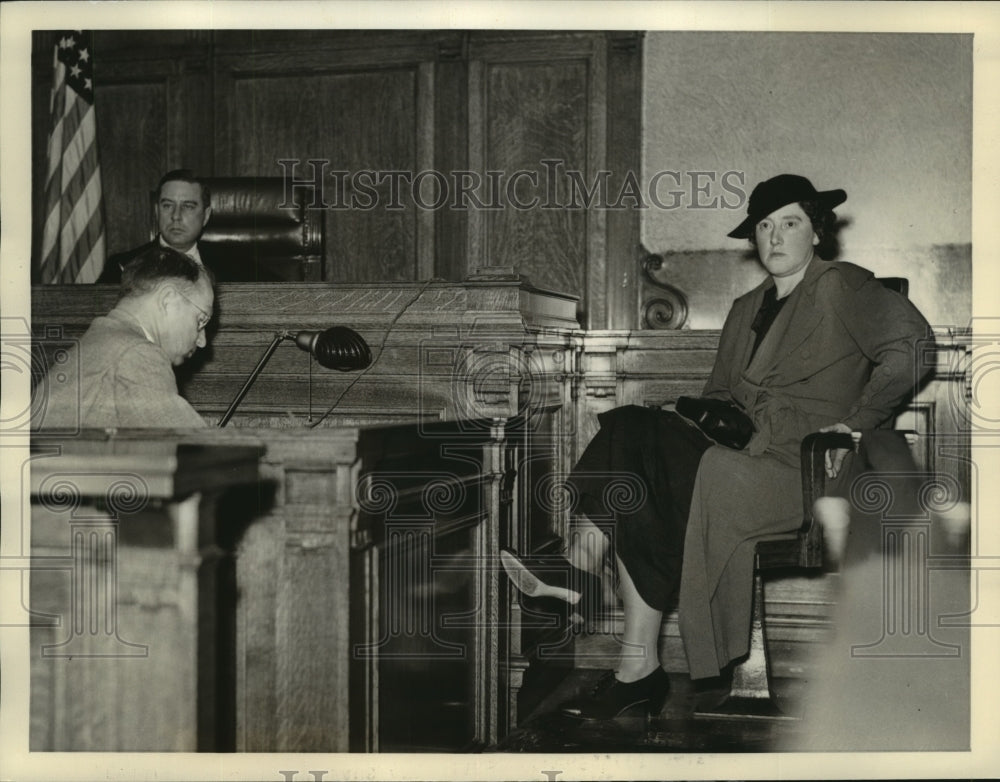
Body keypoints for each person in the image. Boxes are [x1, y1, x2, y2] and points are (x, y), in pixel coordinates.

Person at [501, 173, 934, 720]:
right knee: (630, 433)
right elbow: (720, 397)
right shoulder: (745, 306)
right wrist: (688, 418)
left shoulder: (843, 286)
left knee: (648, 470)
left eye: (791, 223)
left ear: (816, 233)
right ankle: (591, 588)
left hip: (802, 467)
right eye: (764, 226)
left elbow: (913, 348)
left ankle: (618, 639)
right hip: (737, 457)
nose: (775, 237)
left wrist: (855, 425)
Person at [35, 245, 214, 429]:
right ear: (168, 300)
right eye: (201, 321)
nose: (202, 341)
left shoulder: (105, 339)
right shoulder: (135, 354)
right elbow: (194, 449)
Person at [96, 169, 215, 285]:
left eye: (188, 206)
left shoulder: (230, 263)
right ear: (157, 211)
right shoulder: (123, 266)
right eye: (167, 206)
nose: (176, 216)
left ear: (205, 216)